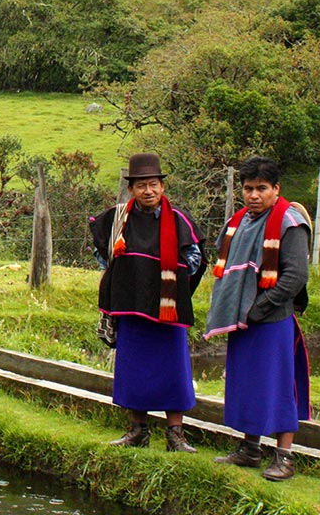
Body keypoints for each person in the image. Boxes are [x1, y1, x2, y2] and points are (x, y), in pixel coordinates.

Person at [203, 156, 311, 482]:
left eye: (262, 188)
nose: (254, 195)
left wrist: (260, 307)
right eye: (248, 189)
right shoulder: (239, 222)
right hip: (243, 319)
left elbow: (295, 276)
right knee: (247, 383)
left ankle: (285, 457)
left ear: (276, 189)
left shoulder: (289, 222)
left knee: (278, 386)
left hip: (272, 319)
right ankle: (250, 449)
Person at [90, 152, 206, 452]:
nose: (148, 191)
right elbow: (102, 254)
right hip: (131, 309)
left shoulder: (179, 221)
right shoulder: (118, 219)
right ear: (132, 189)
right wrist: (129, 277)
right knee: (133, 370)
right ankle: (137, 431)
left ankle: (175, 435)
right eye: (141, 186)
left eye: (153, 184)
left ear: (162, 187)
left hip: (168, 311)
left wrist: (166, 281)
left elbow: (195, 260)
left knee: (174, 370)